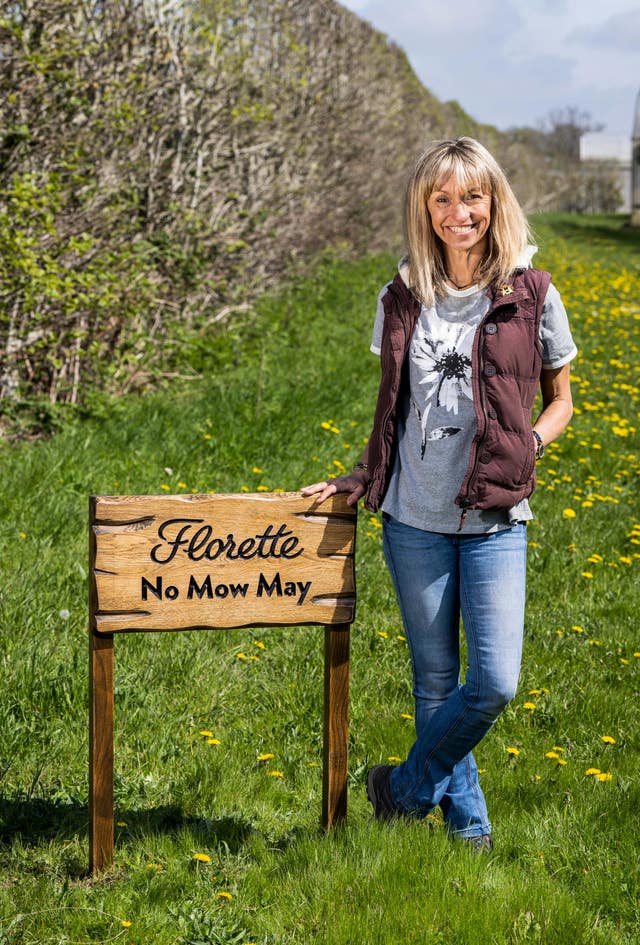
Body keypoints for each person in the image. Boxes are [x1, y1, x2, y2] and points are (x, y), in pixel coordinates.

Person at [302, 137, 576, 850]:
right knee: (434, 680)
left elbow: (561, 401)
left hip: (495, 516)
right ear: (426, 207)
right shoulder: (400, 297)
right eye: (444, 198)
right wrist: (364, 474)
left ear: (495, 202)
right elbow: (392, 404)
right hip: (413, 517)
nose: (460, 212)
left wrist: (531, 445)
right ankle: (471, 832)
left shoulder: (532, 292)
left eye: (473, 197)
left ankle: (400, 787)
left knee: (493, 682)